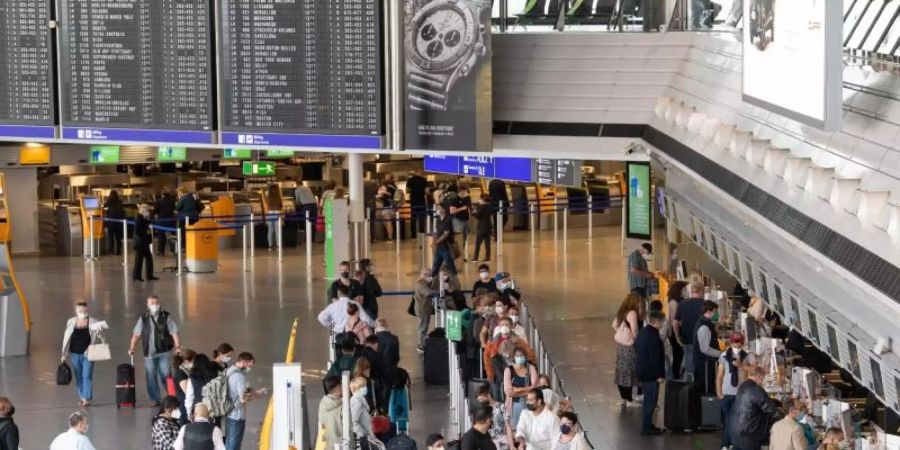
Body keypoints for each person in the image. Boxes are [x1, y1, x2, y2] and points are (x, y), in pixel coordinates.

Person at [129, 295, 182, 406]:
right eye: (151, 303)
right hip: (149, 353)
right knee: (151, 376)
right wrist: (132, 347)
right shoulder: (143, 318)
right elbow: (136, 334)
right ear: (147, 305)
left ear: (159, 304)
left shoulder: (166, 316)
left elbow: (174, 332)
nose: (154, 305)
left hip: (164, 352)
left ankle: (172, 395)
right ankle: (154, 399)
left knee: (166, 375)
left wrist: (178, 347)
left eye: (156, 303)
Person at [61, 301, 105, 407]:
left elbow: (102, 336)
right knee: (79, 376)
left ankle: (87, 398)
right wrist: (64, 354)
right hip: (74, 353)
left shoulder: (93, 321)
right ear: (76, 311)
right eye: (80, 310)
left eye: (84, 310)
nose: (82, 312)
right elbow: (67, 338)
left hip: (88, 353)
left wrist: (100, 332)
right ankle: (82, 396)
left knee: (87, 375)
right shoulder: (71, 321)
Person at [729, 366, 781, 450]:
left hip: (736, 430)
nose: (762, 381)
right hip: (749, 433)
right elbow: (771, 410)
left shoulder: (743, 386)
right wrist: (784, 417)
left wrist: (776, 402)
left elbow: (758, 400)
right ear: (758, 377)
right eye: (762, 378)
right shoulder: (756, 389)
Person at [718, 332, 753, 449]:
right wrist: (719, 392)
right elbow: (720, 375)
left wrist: (741, 365)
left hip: (739, 393)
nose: (737, 348)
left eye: (739, 345)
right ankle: (729, 444)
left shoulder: (746, 356)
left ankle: (727, 444)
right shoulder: (723, 356)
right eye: (734, 344)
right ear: (731, 343)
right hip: (727, 392)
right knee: (729, 420)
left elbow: (754, 369)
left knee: (734, 421)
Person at [635, 310, 666, 435]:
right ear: (657, 322)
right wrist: (660, 375)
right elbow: (655, 358)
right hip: (651, 374)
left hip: (642, 370)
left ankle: (648, 424)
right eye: (662, 321)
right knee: (651, 400)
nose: (663, 324)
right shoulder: (654, 337)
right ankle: (647, 426)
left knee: (649, 398)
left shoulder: (643, 332)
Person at [612, 293, 641, 407]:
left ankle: (623, 398)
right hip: (629, 348)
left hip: (621, 347)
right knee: (629, 372)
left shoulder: (622, 311)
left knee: (621, 371)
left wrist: (621, 333)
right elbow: (635, 330)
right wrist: (633, 337)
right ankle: (629, 399)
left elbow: (614, 324)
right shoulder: (632, 313)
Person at [223, 352, 255, 450]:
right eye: (250, 365)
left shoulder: (228, 371)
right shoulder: (240, 377)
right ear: (244, 362)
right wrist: (254, 395)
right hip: (237, 415)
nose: (249, 368)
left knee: (229, 441)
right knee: (234, 445)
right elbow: (243, 398)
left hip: (228, 412)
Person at [673, 280, 706, 376]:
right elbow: (713, 322)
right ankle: (701, 388)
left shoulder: (682, 304)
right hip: (702, 340)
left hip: (687, 339)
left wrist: (677, 336)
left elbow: (675, 322)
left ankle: (689, 388)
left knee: (689, 368)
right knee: (702, 367)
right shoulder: (706, 304)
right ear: (701, 291)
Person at [504, 347, 538, 428]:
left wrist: (516, 389)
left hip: (529, 403)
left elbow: (535, 387)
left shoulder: (530, 368)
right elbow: (509, 392)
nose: (520, 358)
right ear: (514, 357)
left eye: (522, 356)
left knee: (530, 427)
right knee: (515, 428)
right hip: (514, 404)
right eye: (517, 356)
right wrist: (527, 389)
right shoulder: (509, 370)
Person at [693, 300, 721, 396]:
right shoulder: (704, 327)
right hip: (704, 366)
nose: (717, 314)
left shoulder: (705, 323)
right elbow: (705, 349)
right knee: (707, 390)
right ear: (709, 312)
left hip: (706, 364)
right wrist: (721, 354)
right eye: (716, 312)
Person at [350, 376, 384, 449]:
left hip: (366, 436)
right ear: (356, 388)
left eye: (365, 385)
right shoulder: (357, 402)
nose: (365, 388)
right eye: (363, 386)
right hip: (363, 437)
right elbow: (353, 420)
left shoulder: (360, 399)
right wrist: (362, 433)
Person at [476, 386, 513, 450]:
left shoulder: (501, 407)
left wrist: (512, 445)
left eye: (482, 401)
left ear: (488, 396)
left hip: (502, 441)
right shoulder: (481, 411)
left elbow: (508, 426)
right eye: (480, 402)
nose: (481, 403)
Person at [666, 280, 688, 378]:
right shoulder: (674, 303)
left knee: (678, 355)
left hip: (674, 331)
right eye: (684, 290)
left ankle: (676, 374)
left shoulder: (673, 301)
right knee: (677, 356)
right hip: (675, 333)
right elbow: (676, 320)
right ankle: (676, 376)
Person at [184, 354, 217, 419]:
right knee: (214, 428)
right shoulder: (215, 374)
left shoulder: (193, 377)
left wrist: (189, 413)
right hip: (214, 408)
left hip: (199, 410)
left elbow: (189, 397)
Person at [431, 203, 458, 277]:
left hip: (446, 246)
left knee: (449, 263)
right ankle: (433, 279)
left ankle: (454, 278)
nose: (438, 210)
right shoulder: (438, 219)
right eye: (437, 208)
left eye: (439, 208)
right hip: (439, 247)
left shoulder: (448, 220)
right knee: (436, 264)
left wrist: (437, 241)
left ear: (444, 209)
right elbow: (437, 231)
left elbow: (446, 234)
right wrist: (434, 241)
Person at [133, 204, 158, 281]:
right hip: (140, 242)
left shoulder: (141, 217)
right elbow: (138, 231)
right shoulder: (139, 218)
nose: (148, 213)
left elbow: (147, 221)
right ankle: (138, 276)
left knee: (146, 258)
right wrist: (146, 230)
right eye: (147, 211)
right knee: (140, 259)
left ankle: (145, 275)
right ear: (143, 211)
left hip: (142, 241)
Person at [318, 375, 344, 450]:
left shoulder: (323, 403)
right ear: (337, 388)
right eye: (341, 386)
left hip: (325, 445)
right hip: (338, 445)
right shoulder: (341, 406)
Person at [414, 268, 436, 352]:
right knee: (422, 328)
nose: (431, 277)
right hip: (423, 310)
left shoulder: (425, 283)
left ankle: (422, 343)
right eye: (430, 275)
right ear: (425, 275)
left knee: (424, 327)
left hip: (425, 309)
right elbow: (428, 292)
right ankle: (421, 346)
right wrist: (438, 292)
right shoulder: (421, 284)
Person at [172, 349, 196, 423]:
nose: (194, 362)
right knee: (186, 422)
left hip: (186, 400)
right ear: (186, 361)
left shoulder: (186, 370)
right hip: (184, 402)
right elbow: (187, 391)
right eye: (193, 360)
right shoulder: (180, 373)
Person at [450, 184, 472, 260]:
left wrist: (470, 216)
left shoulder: (468, 198)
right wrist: (462, 208)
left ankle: (462, 256)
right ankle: (456, 256)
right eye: (465, 191)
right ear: (461, 191)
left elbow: (469, 208)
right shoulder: (454, 199)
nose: (466, 193)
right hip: (457, 221)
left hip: (466, 220)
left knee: (464, 239)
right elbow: (452, 211)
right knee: (458, 240)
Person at [154, 187, 177, 256]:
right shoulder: (172, 200)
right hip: (171, 220)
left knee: (161, 236)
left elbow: (155, 211)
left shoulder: (158, 201)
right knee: (172, 235)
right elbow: (175, 209)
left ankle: (161, 251)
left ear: (162, 194)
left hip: (162, 221)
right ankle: (174, 250)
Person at [406, 171, 428, 238]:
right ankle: (421, 234)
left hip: (413, 201)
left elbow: (407, 190)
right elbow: (427, 191)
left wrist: (413, 191)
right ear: (420, 173)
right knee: (422, 219)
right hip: (421, 201)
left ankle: (413, 236)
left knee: (413, 219)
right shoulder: (424, 180)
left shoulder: (410, 180)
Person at [472, 194, 494, 262]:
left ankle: (475, 258)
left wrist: (474, 212)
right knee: (487, 244)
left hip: (481, 227)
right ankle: (488, 258)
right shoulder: (490, 207)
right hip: (488, 226)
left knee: (478, 243)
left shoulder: (481, 207)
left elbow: (478, 216)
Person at [104, 189, 125, 255]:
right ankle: (118, 250)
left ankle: (111, 249)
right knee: (118, 237)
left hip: (111, 222)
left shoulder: (109, 202)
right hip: (119, 222)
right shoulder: (120, 202)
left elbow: (105, 206)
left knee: (111, 236)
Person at [265, 184, 283, 250]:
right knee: (277, 230)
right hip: (277, 212)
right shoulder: (278, 196)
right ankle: (278, 246)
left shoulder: (268, 196)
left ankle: (270, 246)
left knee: (270, 230)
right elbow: (281, 205)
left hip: (270, 213)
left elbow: (266, 205)